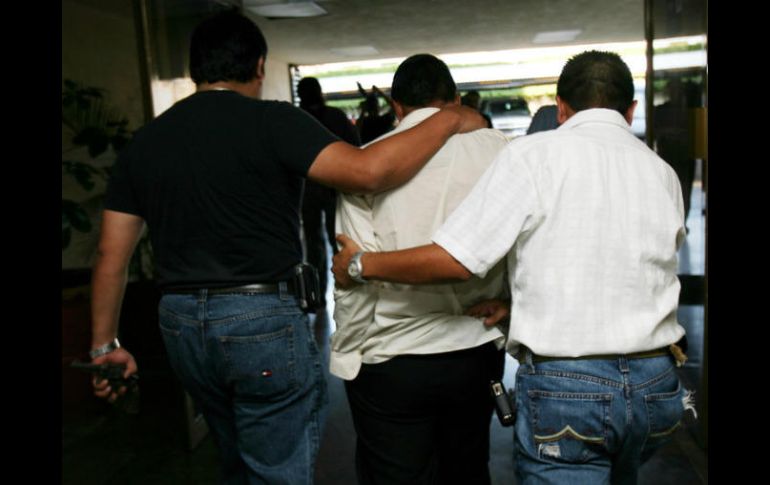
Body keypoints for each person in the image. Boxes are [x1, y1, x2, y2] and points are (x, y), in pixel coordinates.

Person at [88, 10, 486, 484]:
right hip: (259, 321)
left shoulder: (145, 141)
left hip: (181, 327)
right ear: (259, 66)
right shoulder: (273, 120)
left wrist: (105, 345)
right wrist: (450, 119)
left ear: (196, 69)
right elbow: (368, 172)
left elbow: (111, 255)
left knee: (233, 455)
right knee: (277, 467)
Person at [333, 50, 694, 484]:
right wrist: (514, 305)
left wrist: (360, 264)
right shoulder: (662, 172)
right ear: (631, 109)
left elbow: (458, 258)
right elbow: (624, 270)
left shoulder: (532, 156)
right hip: (656, 385)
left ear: (559, 107)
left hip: (568, 386)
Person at [332, 54, 509, 485]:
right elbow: (528, 245)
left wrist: (349, 354)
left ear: (396, 106)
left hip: (393, 360)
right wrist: (512, 304)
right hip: (476, 346)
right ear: (456, 101)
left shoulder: (366, 164)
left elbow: (353, 275)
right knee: (467, 472)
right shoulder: (503, 151)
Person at [297, 77, 361, 306]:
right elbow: (355, 146)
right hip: (336, 188)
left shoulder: (295, 118)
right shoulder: (335, 116)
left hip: (307, 191)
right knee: (341, 240)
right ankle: (347, 294)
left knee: (313, 244)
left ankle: (317, 296)